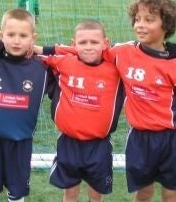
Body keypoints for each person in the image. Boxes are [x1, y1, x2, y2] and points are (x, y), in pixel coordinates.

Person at [106, 0, 176, 202]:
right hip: (140, 138)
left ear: (166, 25)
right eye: (137, 19)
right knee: (143, 192)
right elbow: (89, 50)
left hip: (174, 139)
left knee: (171, 194)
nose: (140, 25)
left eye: (149, 20)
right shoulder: (122, 52)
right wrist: (43, 50)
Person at [34, 20, 124, 202]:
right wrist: (38, 48)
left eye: (94, 42)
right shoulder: (64, 63)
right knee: (70, 191)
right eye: (82, 43)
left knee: (95, 192)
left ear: (105, 43)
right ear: (74, 44)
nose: (88, 47)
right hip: (69, 142)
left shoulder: (116, 67)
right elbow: (29, 56)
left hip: (99, 144)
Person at [0, 8, 51, 202]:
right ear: (1, 35)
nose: (17, 41)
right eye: (11, 35)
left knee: (17, 193)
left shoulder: (43, 68)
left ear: (34, 37)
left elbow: (80, 57)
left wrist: (45, 50)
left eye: (23, 35)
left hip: (20, 143)